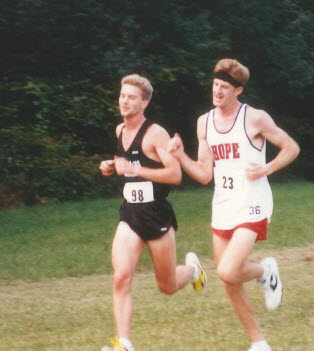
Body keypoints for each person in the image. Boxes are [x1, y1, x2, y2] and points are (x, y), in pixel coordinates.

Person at [168, 59, 300, 351]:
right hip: (224, 205)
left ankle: (266, 272)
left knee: (228, 270)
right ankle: (259, 343)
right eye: (215, 85)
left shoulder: (254, 118)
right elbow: (204, 173)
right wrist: (179, 155)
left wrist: (265, 169)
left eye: (224, 87)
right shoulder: (205, 122)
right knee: (229, 282)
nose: (217, 91)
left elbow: (292, 147)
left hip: (252, 203)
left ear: (237, 90)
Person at [99, 74, 206, 351]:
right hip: (130, 216)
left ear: (144, 102)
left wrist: (132, 169)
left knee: (167, 286)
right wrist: (111, 165)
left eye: (131, 97)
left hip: (157, 216)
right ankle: (124, 343)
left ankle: (193, 270)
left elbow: (174, 174)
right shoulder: (119, 131)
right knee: (121, 276)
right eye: (122, 95)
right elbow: (129, 161)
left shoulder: (156, 133)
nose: (125, 101)